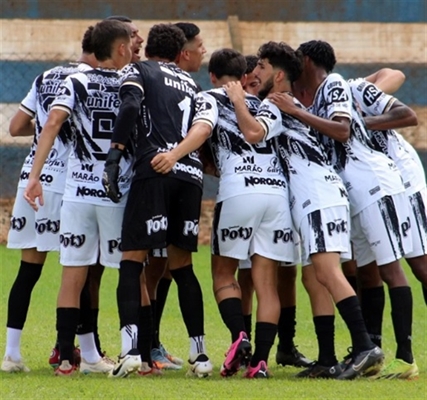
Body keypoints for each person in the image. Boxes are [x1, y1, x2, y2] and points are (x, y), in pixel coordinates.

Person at [225, 41, 384, 381]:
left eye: (262, 68)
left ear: (278, 75)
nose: (255, 73)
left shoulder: (277, 104)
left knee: (327, 274)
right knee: (316, 278)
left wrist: (238, 100)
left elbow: (253, 134)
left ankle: (364, 345)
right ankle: (327, 359)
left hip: (317, 197)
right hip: (324, 194)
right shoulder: (291, 103)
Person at [271, 40, 415, 380]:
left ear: (306, 60)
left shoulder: (333, 84)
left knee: (391, 268)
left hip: (372, 182)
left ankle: (406, 358)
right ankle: (370, 350)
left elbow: (343, 130)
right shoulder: (312, 97)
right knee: (366, 272)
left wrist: (296, 112)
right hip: (349, 191)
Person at [151, 48, 298, 379]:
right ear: (246, 77)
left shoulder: (210, 98)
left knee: (223, 275)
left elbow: (204, 132)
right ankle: (259, 361)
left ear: (213, 76)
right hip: (275, 197)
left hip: (238, 194)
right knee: (267, 285)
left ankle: (238, 337)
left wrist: (174, 156)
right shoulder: (272, 105)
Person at [23, 19, 134, 376]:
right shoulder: (130, 82)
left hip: (77, 192)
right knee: (129, 273)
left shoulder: (77, 80)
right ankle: (134, 353)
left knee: (73, 276)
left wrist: (35, 175)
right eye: (130, 45)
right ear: (119, 49)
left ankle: (70, 360)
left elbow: (53, 122)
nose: (133, 51)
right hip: (116, 192)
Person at [102, 23, 212, 378]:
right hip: (191, 177)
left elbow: (131, 104)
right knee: (182, 267)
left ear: (148, 48)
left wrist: (115, 155)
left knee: (132, 261)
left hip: (155, 170)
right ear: (180, 51)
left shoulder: (137, 70)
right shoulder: (194, 85)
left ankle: (131, 351)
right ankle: (200, 356)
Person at [1, 26, 99, 373]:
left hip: (34, 178)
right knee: (78, 272)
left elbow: (15, 127)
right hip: (69, 182)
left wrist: (44, 130)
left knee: (28, 272)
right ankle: (85, 355)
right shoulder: (94, 80)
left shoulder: (46, 76)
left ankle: (11, 353)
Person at [237, 54, 312, 369]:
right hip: (246, 194)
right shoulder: (235, 106)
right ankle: (242, 344)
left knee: (285, 271)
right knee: (247, 275)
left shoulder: (277, 105)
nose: (254, 79)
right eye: (249, 76)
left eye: (258, 74)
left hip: (280, 198)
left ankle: (286, 345)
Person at [143, 21, 207, 371]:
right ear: (183, 52)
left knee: (163, 267)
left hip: (173, 174)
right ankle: (147, 346)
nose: (203, 51)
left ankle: (152, 344)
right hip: (161, 175)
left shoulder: (188, 87)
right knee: (153, 268)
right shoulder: (160, 81)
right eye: (199, 46)